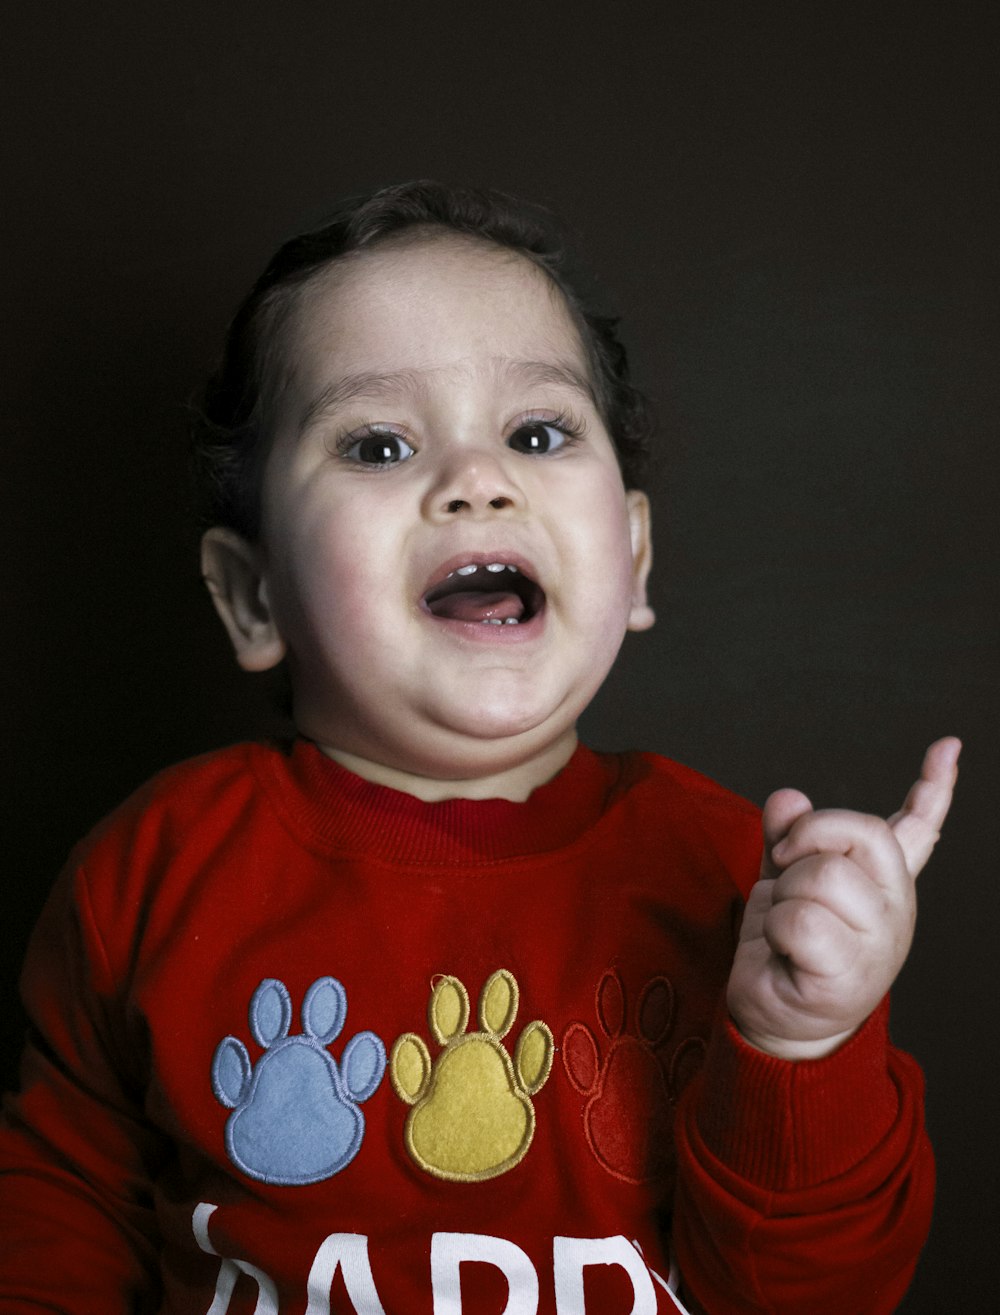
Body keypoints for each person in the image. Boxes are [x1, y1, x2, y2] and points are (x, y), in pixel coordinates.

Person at [0, 181, 959, 1314]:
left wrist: (801, 1046)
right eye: (378, 443)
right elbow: (56, 1236)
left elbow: (810, 1295)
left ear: (636, 558)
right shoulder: (151, 871)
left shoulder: (728, 874)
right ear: (253, 595)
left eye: (537, 431)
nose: (475, 481)